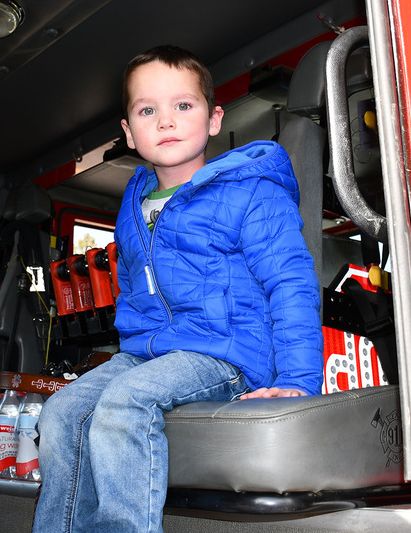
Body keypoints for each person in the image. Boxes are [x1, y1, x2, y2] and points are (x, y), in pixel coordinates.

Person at [33, 45, 322, 533]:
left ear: (213, 120)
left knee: (126, 403)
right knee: (62, 412)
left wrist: (298, 381)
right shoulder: (135, 201)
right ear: (128, 132)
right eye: (148, 110)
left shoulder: (250, 190)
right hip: (150, 354)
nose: (165, 121)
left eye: (182, 106)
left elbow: (291, 285)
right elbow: (132, 287)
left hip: (227, 352)